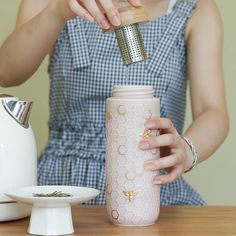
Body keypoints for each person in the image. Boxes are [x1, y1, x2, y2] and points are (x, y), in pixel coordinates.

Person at [0, 0, 229, 205]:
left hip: (150, 182)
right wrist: (56, 12)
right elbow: (6, 73)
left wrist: (187, 150)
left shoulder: (197, 9)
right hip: (62, 184)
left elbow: (213, 110)